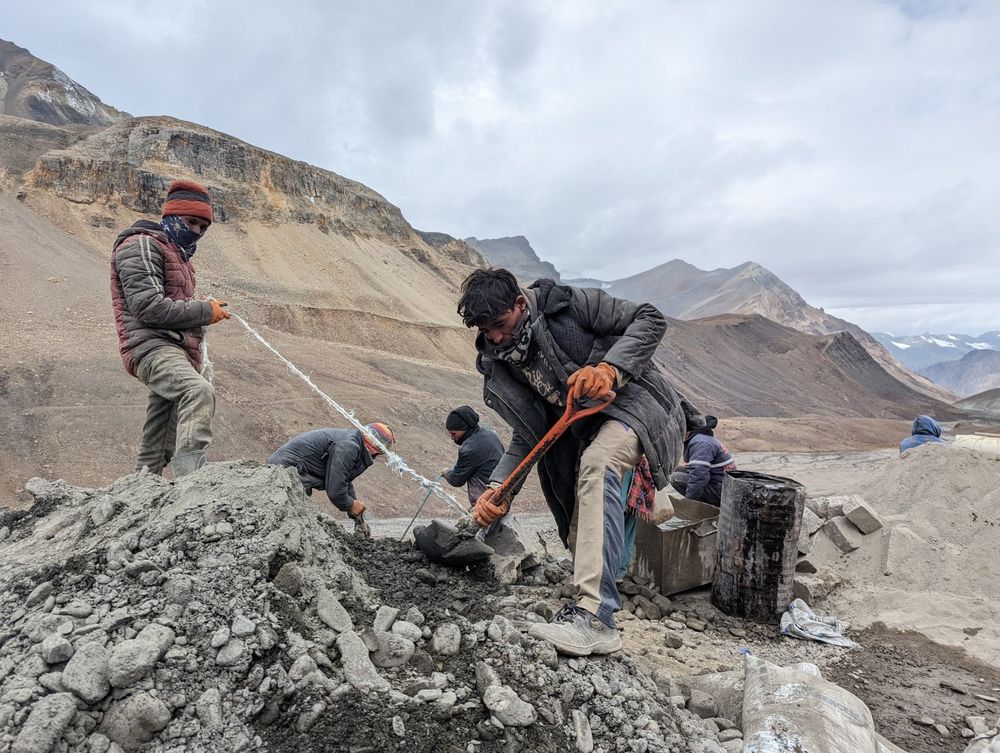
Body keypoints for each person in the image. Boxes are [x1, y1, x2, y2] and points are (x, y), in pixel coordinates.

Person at [457, 268, 702, 656]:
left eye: (500, 325)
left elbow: (650, 318)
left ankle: (596, 619)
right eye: (487, 331)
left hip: (636, 406)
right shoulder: (500, 364)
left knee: (599, 465)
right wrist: (497, 488)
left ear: (520, 303)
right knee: (578, 525)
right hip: (582, 434)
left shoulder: (569, 305)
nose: (496, 338)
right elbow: (528, 434)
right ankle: (597, 588)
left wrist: (610, 369)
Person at [110, 179, 230, 477]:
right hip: (150, 347)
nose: (197, 231)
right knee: (197, 392)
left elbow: (169, 306)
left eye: (203, 227)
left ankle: (140, 488)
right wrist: (205, 311)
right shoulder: (140, 245)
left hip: (173, 349)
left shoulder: (180, 257)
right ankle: (191, 480)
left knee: (160, 433)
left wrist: (202, 312)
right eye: (191, 222)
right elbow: (148, 306)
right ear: (171, 216)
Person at [268, 422, 395, 534]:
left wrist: (356, 513)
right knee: (285, 520)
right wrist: (350, 504)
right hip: (285, 472)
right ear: (377, 449)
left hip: (295, 471)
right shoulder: (348, 447)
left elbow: (344, 479)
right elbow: (335, 490)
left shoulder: (354, 443)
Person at [441, 406, 504, 506]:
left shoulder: (469, 448)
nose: (452, 438)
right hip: (501, 495)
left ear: (464, 428)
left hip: (486, 502)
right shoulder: (491, 435)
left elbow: (456, 480)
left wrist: (445, 472)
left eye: (454, 434)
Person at [668, 415, 736, 506]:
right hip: (722, 485)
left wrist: (688, 503)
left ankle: (703, 506)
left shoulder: (701, 443)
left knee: (676, 478)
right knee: (677, 470)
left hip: (722, 492)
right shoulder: (703, 439)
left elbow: (699, 476)